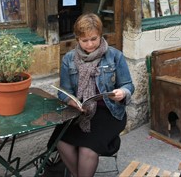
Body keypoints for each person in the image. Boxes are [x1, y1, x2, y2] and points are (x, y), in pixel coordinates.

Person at [55, 13, 134, 177]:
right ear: (77, 39)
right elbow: (64, 92)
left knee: (87, 150)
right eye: (84, 41)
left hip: (109, 112)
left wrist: (122, 93)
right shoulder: (69, 59)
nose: (90, 44)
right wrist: (71, 101)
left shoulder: (114, 56)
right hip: (79, 112)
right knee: (62, 143)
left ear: (100, 35)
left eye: (94, 39)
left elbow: (128, 85)